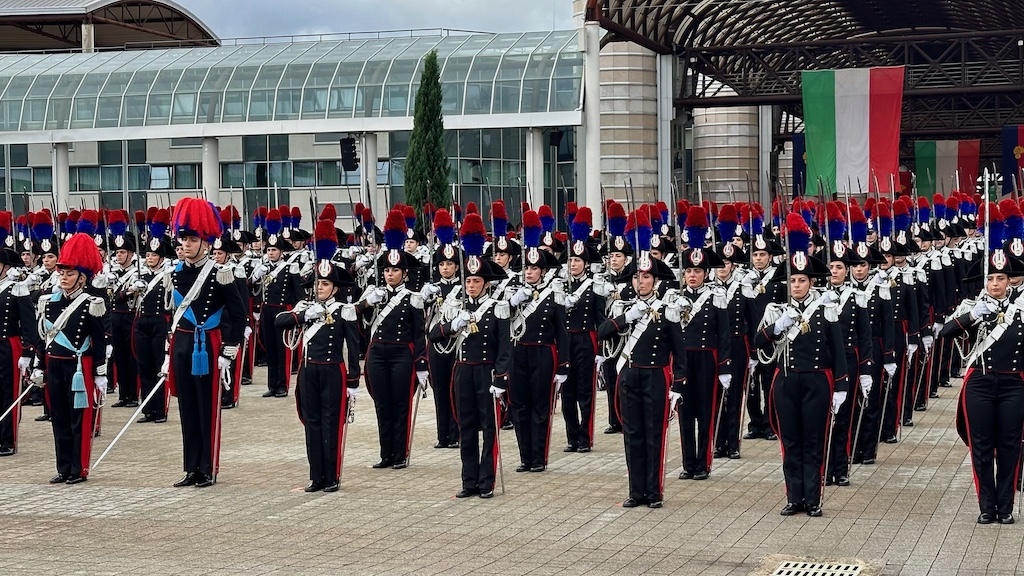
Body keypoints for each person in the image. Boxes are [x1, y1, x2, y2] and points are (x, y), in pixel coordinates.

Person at [756, 212, 848, 517]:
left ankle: (813, 499)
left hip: (817, 381)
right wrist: (778, 326)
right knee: (790, 442)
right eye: (793, 280)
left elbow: (839, 349)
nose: (797, 285)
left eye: (802, 280)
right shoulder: (777, 310)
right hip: (786, 381)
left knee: (813, 441)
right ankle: (793, 497)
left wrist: (842, 385)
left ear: (811, 282)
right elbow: (758, 341)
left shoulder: (826, 308)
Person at [599, 209, 687, 509]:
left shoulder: (668, 308)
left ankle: (654, 491)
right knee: (632, 434)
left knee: (654, 436)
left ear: (655, 279)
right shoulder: (624, 305)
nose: (641, 281)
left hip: (656, 376)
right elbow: (602, 332)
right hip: (629, 374)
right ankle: (636, 491)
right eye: (637, 276)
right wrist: (626, 317)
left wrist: (678, 384)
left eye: (646, 276)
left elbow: (679, 349)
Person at [941, 212, 1024, 524]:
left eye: (1000, 278)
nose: (994, 283)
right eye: (990, 278)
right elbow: (946, 333)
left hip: (1015, 383)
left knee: (1010, 445)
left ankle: (1006, 507)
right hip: (980, 382)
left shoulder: (1020, 309)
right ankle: (986, 507)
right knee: (981, 447)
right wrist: (973, 315)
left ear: (1009, 280)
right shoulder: (974, 307)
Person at [429, 213, 512, 498]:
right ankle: (468, 481)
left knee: (489, 428)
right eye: (469, 281)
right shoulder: (457, 307)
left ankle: (486, 481)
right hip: (463, 371)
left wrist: (501, 378)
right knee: (466, 427)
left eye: (477, 281)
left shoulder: (498, 307)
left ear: (486, 283)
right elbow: (434, 335)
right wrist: (453, 324)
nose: (472, 285)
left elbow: (505, 347)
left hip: (487, 372)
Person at [164, 198, 245, 488]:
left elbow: (238, 315)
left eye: (191, 239)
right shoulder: (174, 273)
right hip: (184, 344)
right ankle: (191, 468)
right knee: (187, 408)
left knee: (207, 408)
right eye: (183, 238)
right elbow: (172, 314)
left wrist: (229, 349)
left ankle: (208, 467)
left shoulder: (219, 273)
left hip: (209, 346)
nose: (185, 244)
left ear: (206, 242)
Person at [276, 219, 361, 493]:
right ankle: (316, 476)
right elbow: (280, 322)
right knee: (311, 422)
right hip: (308, 370)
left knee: (330, 423)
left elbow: (353, 345)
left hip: (332, 370)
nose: (319, 288)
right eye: (317, 283)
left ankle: (332, 475)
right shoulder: (306, 307)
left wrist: (353, 380)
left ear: (335, 287)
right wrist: (303, 314)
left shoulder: (344, 310)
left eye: (325, 284)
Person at [30, 233, 106, 484]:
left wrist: (100, 372)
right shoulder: (48, 302)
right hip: (54, 364)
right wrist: (38, 365)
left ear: (82, 277)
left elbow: (99, 340)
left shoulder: (90, 303)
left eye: (69, 273)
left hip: (78, 366)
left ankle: (79, 468)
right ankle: (63, 467)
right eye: (61, 272)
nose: (63, 277)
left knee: (79, 420)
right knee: (59, 417)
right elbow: (44, 338)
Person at [359, 209, 427, 470]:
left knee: (400, 405)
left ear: (404, 273)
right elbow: (359, 323)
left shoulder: (413, 297)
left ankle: (400, 454)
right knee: (382, 404)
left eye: (395, 270)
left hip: (402, 354)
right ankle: (385, 453)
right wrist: (367, 303)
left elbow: (419, 332)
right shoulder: (374, 294)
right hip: (377, 352)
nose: (389, 274)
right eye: (387, 269)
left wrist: (421, 363)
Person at [508, 209, 568, 473]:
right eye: (526, 267)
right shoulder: (511, 294)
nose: (529, 272)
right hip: (518, 352)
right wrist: (511, 303)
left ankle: (539, 457)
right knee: (519, 405)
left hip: (543, 353)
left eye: (534, 268)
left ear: (543, 271)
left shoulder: (554, 294)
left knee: (540, 406)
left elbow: (561, 331)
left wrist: (563, 364)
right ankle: (525, 457)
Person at [676, 206, 730, 480]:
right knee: (686, 414)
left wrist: (724, 367)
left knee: (706, 413)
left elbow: (724, 334)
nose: (693, 275)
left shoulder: (717, 296)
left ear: (706, 272)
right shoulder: (675, 298)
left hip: (708, 359)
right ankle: (688, 464)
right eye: (689, 271)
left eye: (698, 270)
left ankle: (704, 464)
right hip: (684, 359)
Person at [561, 207, 606, 454]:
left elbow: (600, 319)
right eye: (571, 260)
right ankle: (571, 436)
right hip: (567, 340)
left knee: (584, 392)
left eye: (577, 260)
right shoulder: (561, 285)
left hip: (586, 339)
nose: (573, 264)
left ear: (586, 264)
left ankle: (585, 438)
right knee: (567, 391)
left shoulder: (594, 286)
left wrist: (599, 348)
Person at [251, 208, 304, 398]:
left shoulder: (290, 268)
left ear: (281, 251)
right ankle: (272, 385)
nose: (271, 252)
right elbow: (252, 288)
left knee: (282, 351)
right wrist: (256, 276)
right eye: (269, 250)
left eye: (274, 250)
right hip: (267, 311)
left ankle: (282, 386)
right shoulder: (263, 267)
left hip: (283, 311)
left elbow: (299, 294)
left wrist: (297, 316)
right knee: (270, 348)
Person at [423, 209, 462, 449]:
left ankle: (455, 432)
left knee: (455, 389)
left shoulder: (463, 288)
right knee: (439, 389)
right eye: (442, 264)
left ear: (457, 267)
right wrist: (424, 297)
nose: (445, 268)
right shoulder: (432, 288)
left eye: (449, 264)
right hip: (436, 343)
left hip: (456, 343)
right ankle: (442, 435)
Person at [133, 214, 173, 424]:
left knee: (159, 366)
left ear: (161, 258)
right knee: (144, 366)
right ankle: (148, 409)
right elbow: (120, 296)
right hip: (142, 322)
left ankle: (161, 409)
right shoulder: (138, 275)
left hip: (160, 322)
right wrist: (131, 290)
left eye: (153, 254)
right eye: (147, 254)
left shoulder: (169, 274)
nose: (149, 257)